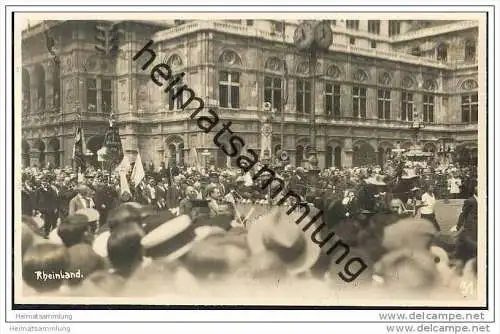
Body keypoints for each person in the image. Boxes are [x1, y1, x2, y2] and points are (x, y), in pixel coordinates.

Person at [455, 186, 478, 262]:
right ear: (475, 191)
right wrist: (459, 226)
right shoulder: (470, 201)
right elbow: (463, 214)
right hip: (471, 226)